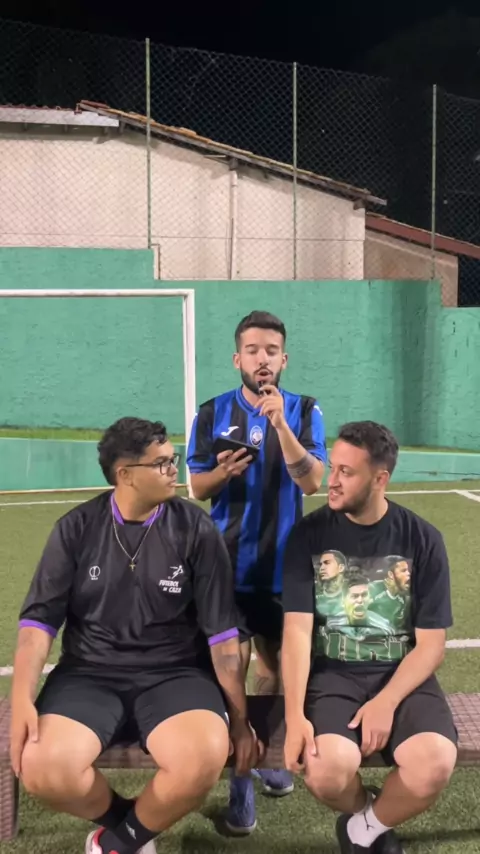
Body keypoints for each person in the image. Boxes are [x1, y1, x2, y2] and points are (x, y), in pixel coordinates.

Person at [10, 417, 261, 854]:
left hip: (176, 673)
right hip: (89, 674)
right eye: (161, 463)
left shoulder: (196, 529)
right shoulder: (76, 528)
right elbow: (38, 625)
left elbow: (223, 639)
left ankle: (119, 842)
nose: (173, 470)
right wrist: (21, 702)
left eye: (172, 459)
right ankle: (131, 825)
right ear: (125, 474)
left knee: (203, 757)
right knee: (42, 769)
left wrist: (240, 722)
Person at [281, 421, 457, 854]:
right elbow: (297, 631)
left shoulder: (423, 539)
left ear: (380, 479)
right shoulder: (308, 535)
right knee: (325, 772)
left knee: (434, 762)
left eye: (346, 472)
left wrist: (387, 701)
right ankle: (370, 815)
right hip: (333, 675)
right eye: (333, 467)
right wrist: (294, 716)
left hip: (401, 673)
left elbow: (431, 645)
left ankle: (363, 829)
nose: (332, 480)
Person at [186, 310, 327, 834]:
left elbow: (312, 482)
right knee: (233, 674)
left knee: (277, 669)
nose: (262, 359)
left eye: (271, 350)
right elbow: (196, 488)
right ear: (237, 358)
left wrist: (280, 425)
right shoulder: (211, 412)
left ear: (283, 359)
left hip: (286, 566)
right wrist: (223, 472)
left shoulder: (305, 410)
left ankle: (271, 758)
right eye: (252, 350)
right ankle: (241, 784)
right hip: (227, 566)